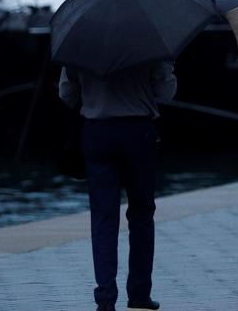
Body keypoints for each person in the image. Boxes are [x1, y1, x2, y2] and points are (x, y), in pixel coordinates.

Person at [59, 61, 175, 311]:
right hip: (139, 133)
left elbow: (66, 93)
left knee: (103, 217)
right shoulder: (148, 37)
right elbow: (167, 92)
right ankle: (140, 293)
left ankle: (105, 298)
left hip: (97, 131)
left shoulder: (81, 39)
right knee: (142, 214)